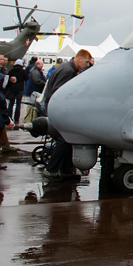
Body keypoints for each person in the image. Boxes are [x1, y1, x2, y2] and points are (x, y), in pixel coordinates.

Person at [42, 49, 92, 180]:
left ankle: (66, 170)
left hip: (55, 107)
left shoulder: (67, 68)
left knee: (67, 139)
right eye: (86, 62)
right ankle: (51, 169)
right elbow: (58, 92)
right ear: (79, 59)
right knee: (65, 139)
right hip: (58, 109)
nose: (87, 65)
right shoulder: (68, 71)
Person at [6, 58, 27, 125]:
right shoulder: (23, 71)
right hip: (20, 89)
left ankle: (9, 116)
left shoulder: (11, 70)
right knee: (18, 104)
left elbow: (7, 78)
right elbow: (27, 78)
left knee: (11, 103)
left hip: (12, 88)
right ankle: (16, 118)